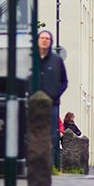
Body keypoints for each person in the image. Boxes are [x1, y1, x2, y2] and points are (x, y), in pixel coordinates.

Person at [37, 30, 68, 164]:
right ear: (38, 41)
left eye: (47, 39)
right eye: (42, 38)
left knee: (53, 134)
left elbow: (64, 81)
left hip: (52, 103)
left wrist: (56, 94)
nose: (44, 40)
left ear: (51, 42)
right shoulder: (31, 59)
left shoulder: (57, 60)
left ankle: (53, 165)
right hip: (34, 103)